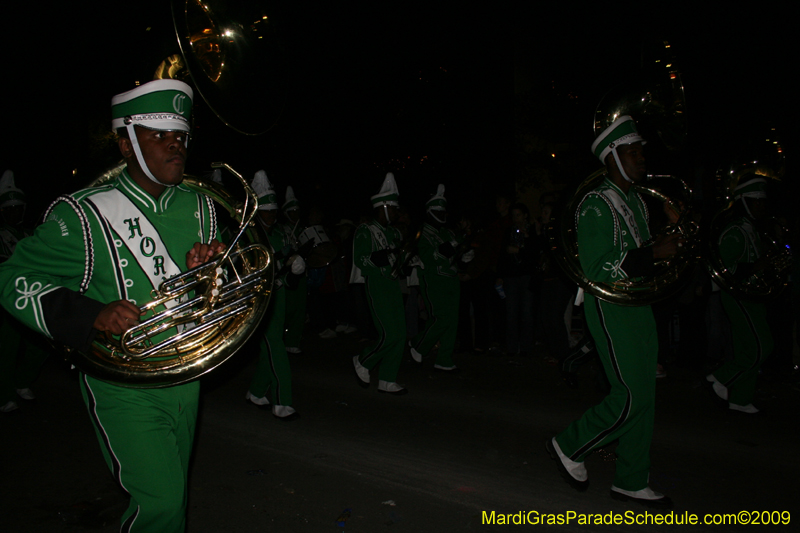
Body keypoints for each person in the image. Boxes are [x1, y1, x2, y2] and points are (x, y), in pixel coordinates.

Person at [0, 79, 223, 531]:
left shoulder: (203, 207)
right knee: (160, 503)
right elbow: (12, 276)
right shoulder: (82, 213)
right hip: (122, 384)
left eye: (180, 136)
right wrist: (90, 314)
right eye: (158, 136)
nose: (175, 146)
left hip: (186, 373)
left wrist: (212, 272)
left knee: (173, 496)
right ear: (125, 143)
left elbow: (214, 292)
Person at [546, 115, 681, 508]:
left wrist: (672, 239)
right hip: (609, 306)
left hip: (638, 305)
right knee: (629, 396)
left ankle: (631, 479)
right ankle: (570, 444)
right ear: (611, 157)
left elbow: (640, 255)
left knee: (646, 397)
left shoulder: (637, 200)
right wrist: (653, 253)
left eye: (641, 150)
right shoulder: (594, 203)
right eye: (631, 151)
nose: (641, 157)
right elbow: (597, 268)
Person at [706, 175, 774, 413]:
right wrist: (758, 267)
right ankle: (721, 378)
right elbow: (725, 269)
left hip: (751, 296)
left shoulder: (751, 229)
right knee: (761, 347)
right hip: (738, 296)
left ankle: (740, 398)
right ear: (743, 202)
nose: (761, 206)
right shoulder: (734, 231)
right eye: (756, 201)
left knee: (748, 348)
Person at [245, 171, 304, 420]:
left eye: (272, 210)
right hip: (257, 300)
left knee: (271, 346)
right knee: (276, 348)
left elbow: (287, 280)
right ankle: (282, 401)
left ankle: (257, 391)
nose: (269, 215)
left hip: (277, 298)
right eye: (265, 210)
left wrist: (295, 268)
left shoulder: (280, 234)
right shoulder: (246, 234)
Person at [351, 172, 408, 394]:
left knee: (401, 334)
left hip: (393, 285)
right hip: (376, 285)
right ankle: (364, 359)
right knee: (389, 333)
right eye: (393, 208)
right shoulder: (365, 230)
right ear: (382, 207)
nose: (395, 212)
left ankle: (387, 378)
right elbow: (360, 259)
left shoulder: (393, 232)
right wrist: (384, 257)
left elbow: (399, 258)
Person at [0, 170, 50, 413]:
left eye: (18, 207)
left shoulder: (31, 234)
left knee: (39, 344)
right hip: (6, 299)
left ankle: (22, 382)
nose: (14, 212)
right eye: (9, 208)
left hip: (32, 298)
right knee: (6, 349)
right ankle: (4, 394)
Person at [409, 184, 465, 371]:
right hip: (433, 279)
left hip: (451, 278)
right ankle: (419, 344)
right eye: (438, 212)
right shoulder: (421, 233)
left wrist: (464, 255)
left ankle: (444, 357)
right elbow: (430, 258)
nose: (442, 215)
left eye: (443, 212)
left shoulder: (447, 232)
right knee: (441, 318)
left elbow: (455, 254)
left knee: (452, 320)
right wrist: (452, 246)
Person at [280, 185, 308, 353]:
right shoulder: (282, 230)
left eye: (297, 211)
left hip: (302, 273)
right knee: (287, 308)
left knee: (300, 307)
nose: (295, 214)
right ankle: (282, 337)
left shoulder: (304, 230)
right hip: (287, 273)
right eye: (292, 211)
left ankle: (293, 341)